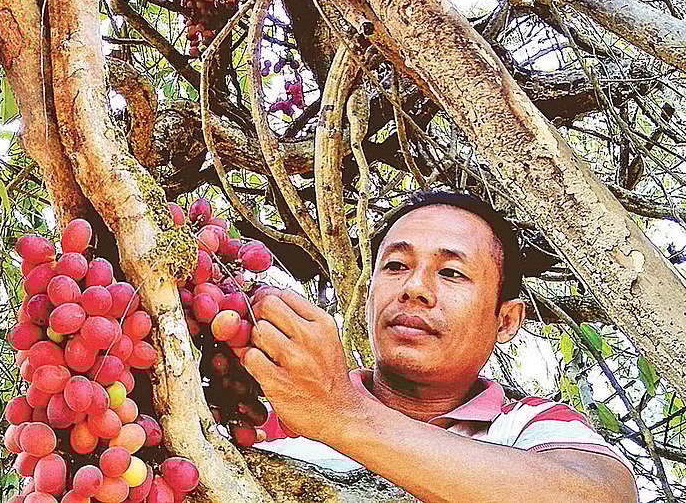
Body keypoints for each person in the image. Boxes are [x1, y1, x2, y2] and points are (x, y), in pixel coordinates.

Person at [244, 190, 638, 503]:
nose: (414, 288)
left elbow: (602, 496)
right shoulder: (271, 414)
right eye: (396, 266)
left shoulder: (528, 426)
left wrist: (342, 414)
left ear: (505, 321)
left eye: (451, 272)